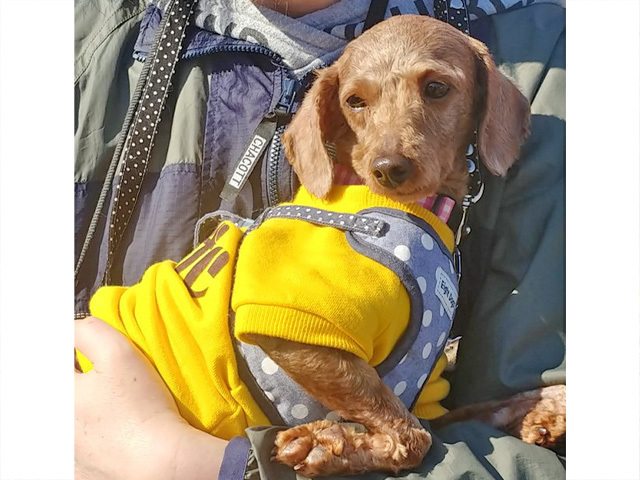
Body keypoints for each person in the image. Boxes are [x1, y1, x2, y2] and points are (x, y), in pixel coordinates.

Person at [74, 0, 566, 478]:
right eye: (357, 102)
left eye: (435, 89)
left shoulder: (544, 55)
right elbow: (285, 331)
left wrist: (194, 464)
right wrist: (400, 435)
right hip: (100, 382)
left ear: (487, 101)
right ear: (330, 115)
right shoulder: (347, 236)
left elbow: (409, 389)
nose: (391, 154)